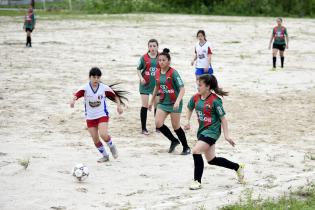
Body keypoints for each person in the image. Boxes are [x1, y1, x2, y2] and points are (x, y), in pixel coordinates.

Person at [185, 74, 244, 190]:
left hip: (213, 132)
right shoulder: (196, 97)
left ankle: (197, 181)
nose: (198, 87)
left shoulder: (215, 101)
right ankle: (237, 167)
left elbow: (223, 119)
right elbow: (189, 108)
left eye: (200, 85)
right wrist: (187, 121)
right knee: (211, 160)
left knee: (196, 151)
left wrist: (226, 136)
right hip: (202, 131)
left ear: (208, 87)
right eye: (197, 84)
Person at [70, 67, 128, 163]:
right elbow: (76, 95)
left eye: (98, 77)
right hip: (90, 117)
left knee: (103, 135)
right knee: (95, 139)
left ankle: (112, 146)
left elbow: (115, 96)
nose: (96, 79)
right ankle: (105, 156)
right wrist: (72, 101)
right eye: (94, 77)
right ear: (90, 77)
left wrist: (119, 106)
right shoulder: (85, 88)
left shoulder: (104, 87)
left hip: (102, 115)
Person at [149, 48, 191, 155]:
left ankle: (186, 147)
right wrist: (151, 101)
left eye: (163, 60)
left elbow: (182, 89)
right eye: (160, 60)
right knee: (158, 123)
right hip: (163, 102)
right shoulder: (157, 73)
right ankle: (173, 140)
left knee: (176, 126)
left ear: (168, 61)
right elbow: (156, 87)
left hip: (175, 103)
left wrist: (177, 101)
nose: (161, 62)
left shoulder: (173, 73)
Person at [137, 39, 160, 135]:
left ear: (157, 47)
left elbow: (167, 68)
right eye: (150, 46)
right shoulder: (144, 58)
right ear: (148, 47)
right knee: (145, 106)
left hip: (157, 85)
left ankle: (158, 127)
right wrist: (141, 78)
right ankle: (143, 128)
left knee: (157, 106)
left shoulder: (161, 57)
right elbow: (138, 69)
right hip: (145, 85)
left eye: (154, 46)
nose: (152, 48)